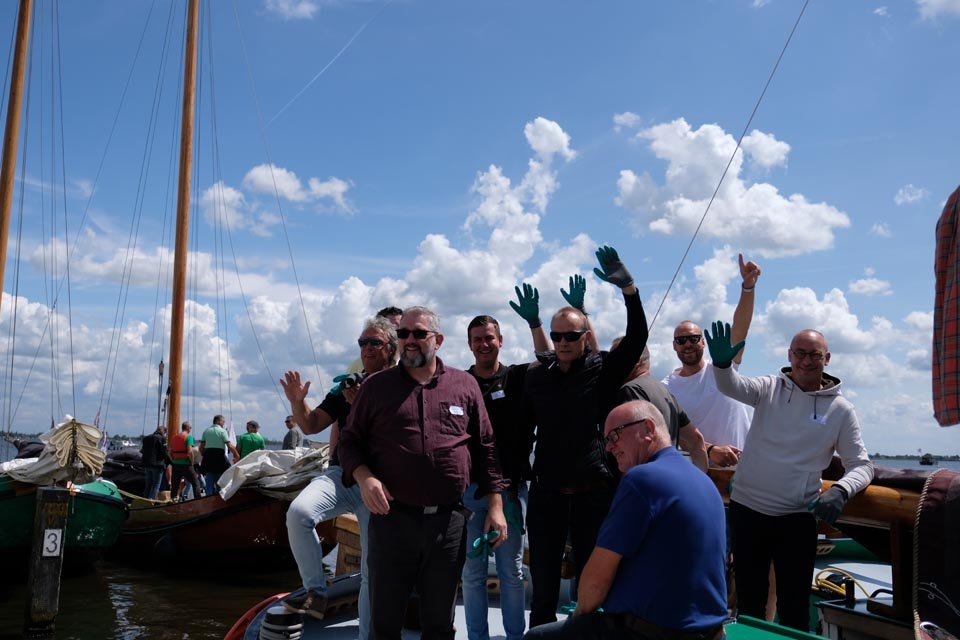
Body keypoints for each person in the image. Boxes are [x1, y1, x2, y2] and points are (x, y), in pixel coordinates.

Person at [338, 306, 507, 640]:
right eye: (403, 334)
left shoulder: (464, 385)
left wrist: (496, 506)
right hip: (391, 521)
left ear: (438, 340)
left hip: (448, 524)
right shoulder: (376, 387)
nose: (410, 340)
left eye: (419, 333)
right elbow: (349, 441)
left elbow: (486, 447)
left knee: (439, 625)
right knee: (384, 624)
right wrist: (364, 477)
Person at [705, 323, 875, 631]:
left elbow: (862, 465)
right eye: (800, 353)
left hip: (796, 518)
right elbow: (731, 387)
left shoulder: (841, 410)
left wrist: (841, 490)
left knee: (794, 608)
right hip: (747, 511)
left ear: (827, 358)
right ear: (789, 355)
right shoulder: (769, 388)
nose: (806, 361)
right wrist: (721, 365)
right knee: (750, 604)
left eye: (814, 355)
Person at [519, 246, 648, 627]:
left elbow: (637, 338)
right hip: (546, 497)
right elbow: (522, 433)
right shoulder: (536, 378)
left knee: (596, 588)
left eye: (571, 335)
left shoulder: (602, 370)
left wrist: (629, 289)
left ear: (585, 336)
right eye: (557, 336)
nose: (563, 342)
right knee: (543, 590)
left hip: (594, 495)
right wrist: (507, 487)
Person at [524, 400, 728, 640]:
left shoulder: (642, 479)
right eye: (606, 440)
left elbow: (595, 583)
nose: (609, 447)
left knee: (537, 637)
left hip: (654, 633)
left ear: (648, 429)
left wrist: (577, 620)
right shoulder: (704, 482)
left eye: (615, 435)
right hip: (712, 632)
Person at [280, 316, 397, 634]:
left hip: (379, 486)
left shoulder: (402, 387)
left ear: (391, 349)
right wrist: (298, 403)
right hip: (341, 476)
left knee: (372, 572)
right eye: (363, 342)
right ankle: (316, 591)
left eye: (374, 343)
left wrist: (364, 407)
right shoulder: (347, 386)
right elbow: (310, 425)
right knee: (299, 513)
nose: (366, 348)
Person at [462, 315, 536, 640]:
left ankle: (514, 636)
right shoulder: (460, 384)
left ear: (500, 340)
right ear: (469, 344)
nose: (484, 344)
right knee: (472, 573)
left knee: (511, 572)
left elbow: (548, 360)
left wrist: (534, 322)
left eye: (489, 337)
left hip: (510, 492)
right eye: (477, 339)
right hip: (470, 493)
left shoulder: (517, 378)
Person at [662, 253, 760, 467]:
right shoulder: (666, 388)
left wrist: (748, 287)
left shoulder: (723, 369)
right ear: (674, 345)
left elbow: (740, 329)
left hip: (742, 471)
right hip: (697, 474)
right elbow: (671, 434)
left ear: (704, 342)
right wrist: (710, 450)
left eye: (694, 338)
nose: (688, 344)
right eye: (681, 340)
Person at [611, 340, 708, 471]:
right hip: (667, 476)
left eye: (616, 356)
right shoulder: (666, 393)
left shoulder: (630, 390)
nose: (610, 363)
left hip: (644, 479)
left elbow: (633, 449)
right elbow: (696, 440)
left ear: (636, 359)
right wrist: (700, 479)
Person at [346, 306, 402, 374]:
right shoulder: (356, 367)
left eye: (376, 342)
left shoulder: (410, 366)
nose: (368, 347)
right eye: (363, 342)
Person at [199, 415, 240, 497]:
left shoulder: (206, 431)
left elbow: (201, 447)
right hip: (219, 457)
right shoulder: (222, 431)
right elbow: (229, 445)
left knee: (209, 476)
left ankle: (208, 497)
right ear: (218, 421)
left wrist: (204, 455)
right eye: (223, 421)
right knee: (221, 477)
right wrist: (237, 455)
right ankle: (220, 496)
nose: (224, 423)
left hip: (208, 456)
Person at [170, 421, 202, 500]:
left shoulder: (174, 437)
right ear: (187, 428)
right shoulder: (188, 437)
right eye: (190, 427)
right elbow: (190, 451)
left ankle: (173, 501)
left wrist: (173, 460)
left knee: (175, 485)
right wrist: (192, 462)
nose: (190, 429)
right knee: (196, 482)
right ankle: (198, 500)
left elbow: (169, 452)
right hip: (186, 464)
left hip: (176, 464)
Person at [140, 425, 170, 500]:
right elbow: (164, 452)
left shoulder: (146, 438)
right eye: (165, 433)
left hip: (147, 464)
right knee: (156, 484)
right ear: (163, 431)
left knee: (148, 484)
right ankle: (151, 500)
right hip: (158, 465)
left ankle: (145, 499)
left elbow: (142, 451)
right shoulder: (162, 438)